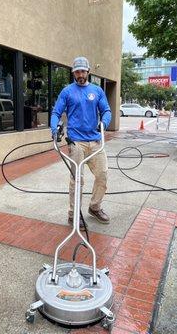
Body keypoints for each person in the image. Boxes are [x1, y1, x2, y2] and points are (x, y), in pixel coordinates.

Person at [51, 56, 112, 229]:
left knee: (102, 175)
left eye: (83, 71)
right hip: (76, 142)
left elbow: (106, 110)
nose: (80, 74)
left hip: (95, 141)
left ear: (88, 72)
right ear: (73, 73)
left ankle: (94, 207)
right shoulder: (67, 91)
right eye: (77, 71)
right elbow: (56, 112)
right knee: (77, 179)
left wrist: (104, 124)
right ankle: (73, 215)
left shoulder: (97, 90)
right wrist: (54, 128)